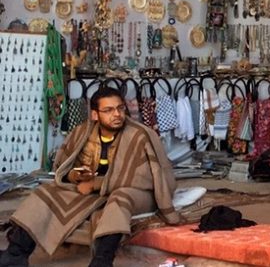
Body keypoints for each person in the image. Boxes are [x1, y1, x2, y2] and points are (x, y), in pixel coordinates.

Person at [0, 86, 180, 267]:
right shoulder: (82, 133)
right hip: (93, 192)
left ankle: (102, 262)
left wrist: (97, 184)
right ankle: (15, 254)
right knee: (45, 193)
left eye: (120, 108)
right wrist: (75, 176)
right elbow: (64, 167)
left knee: (120, 198)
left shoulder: (138, 135)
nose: (117, 114)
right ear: (95, 115)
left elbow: (145, 178)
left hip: (136, 193)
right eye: (108, 110)